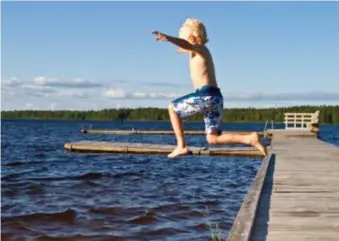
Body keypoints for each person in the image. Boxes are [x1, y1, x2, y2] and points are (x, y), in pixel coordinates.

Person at [152, 18, 267, 158]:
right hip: (215, 98)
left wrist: (168, 38)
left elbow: (186, 44)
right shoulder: (197, 52)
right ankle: (248, 138)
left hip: (206, 95)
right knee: (213, 138)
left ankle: (181, 146)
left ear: (193, 38)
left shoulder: (200, 48)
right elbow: (184, 46)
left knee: (172, 108)